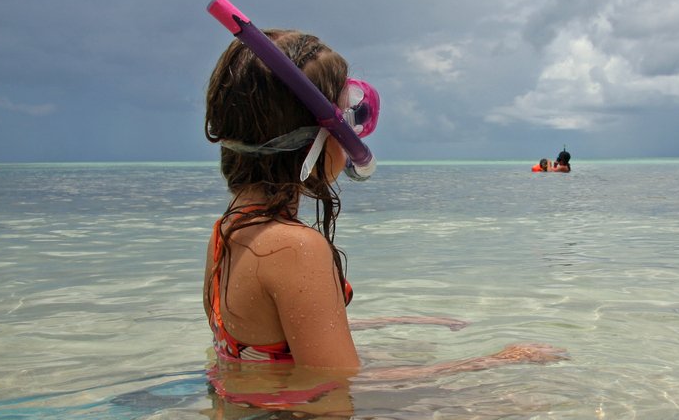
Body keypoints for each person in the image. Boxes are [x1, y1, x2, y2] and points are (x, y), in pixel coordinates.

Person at [203, 27, 565, 384]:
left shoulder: (227, 232)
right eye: (350, 117)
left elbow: (284, 333)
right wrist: (500, 361)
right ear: (322, 133)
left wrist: (407, 321)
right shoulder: (295, 249)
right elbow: (341, 383)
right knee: (526, 400)